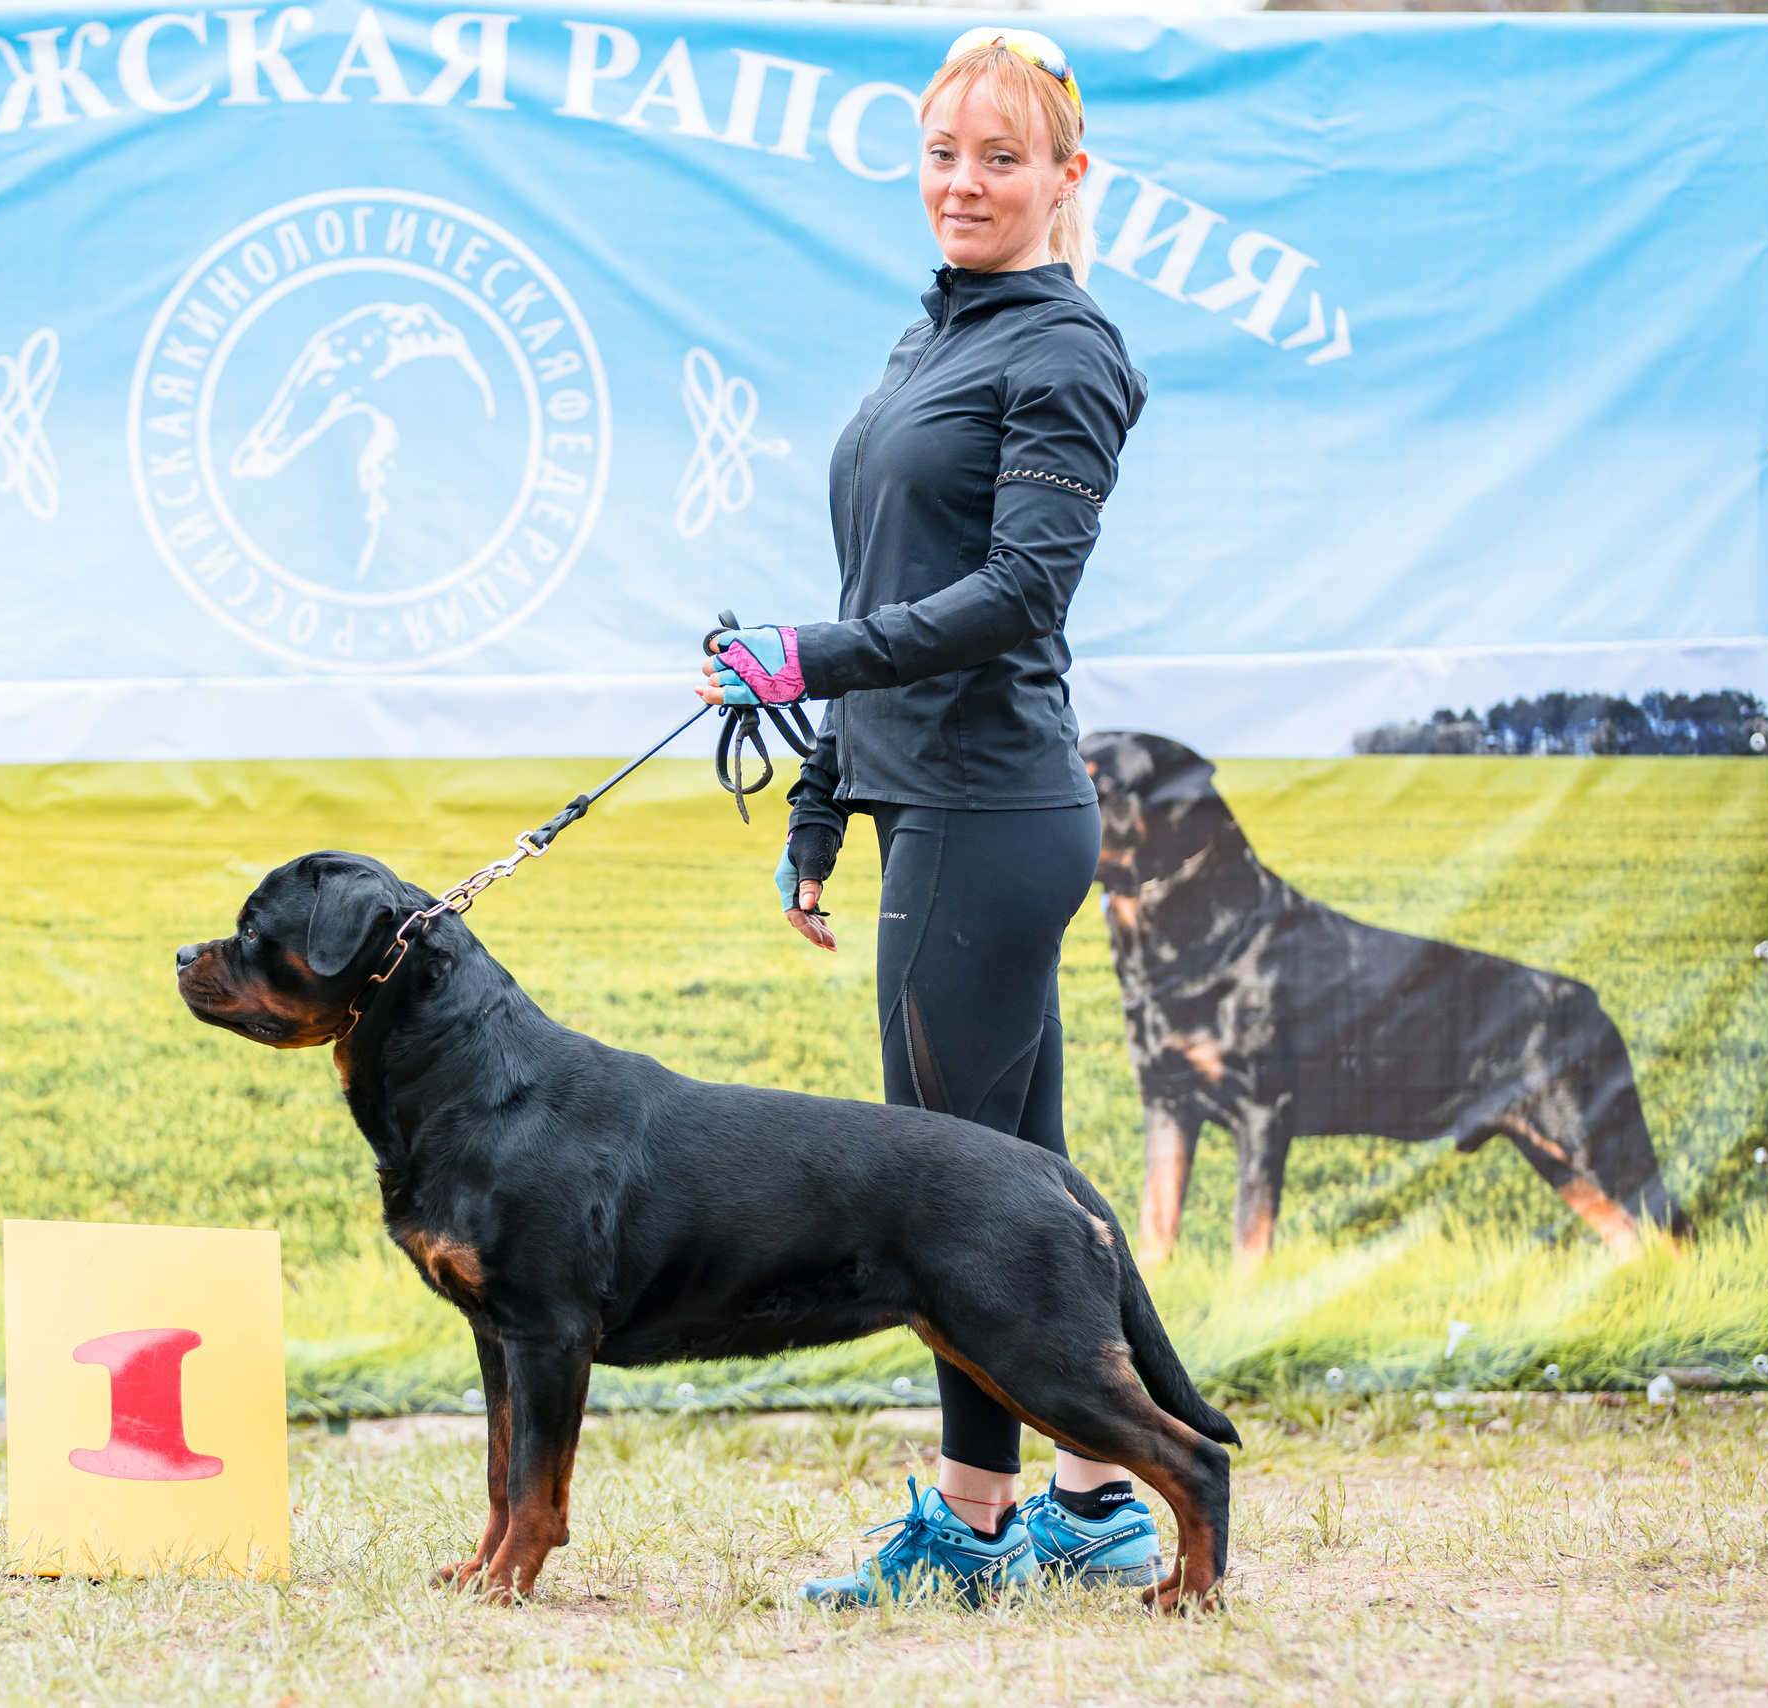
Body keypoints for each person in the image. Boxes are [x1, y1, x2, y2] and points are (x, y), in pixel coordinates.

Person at [699, 28, 1155, 1606]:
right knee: (1031, 1186)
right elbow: (881, 593)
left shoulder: (1064, 351)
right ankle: (1097, 1501)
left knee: (945, 1197)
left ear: (1065, 179)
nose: (966, 182)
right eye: (946, 154)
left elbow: (1021, 592)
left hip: (991, 808)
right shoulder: (937, 334)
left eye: (1003, 158)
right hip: (927, 803)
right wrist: (823, 796)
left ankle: (969, 1528)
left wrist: (805, 664)